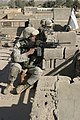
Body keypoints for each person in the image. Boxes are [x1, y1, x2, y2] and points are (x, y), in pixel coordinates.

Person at [3, 27, 43, 95]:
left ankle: (24, 87)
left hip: (30, 65)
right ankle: (10, 84)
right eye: (33, 36)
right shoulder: (19, 44)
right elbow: (16, 58)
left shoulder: (36, 43)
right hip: (20, 65)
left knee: (39, 72)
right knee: (15, 66)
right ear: (28, 36)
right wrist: (28, 53)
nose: (35, 37)